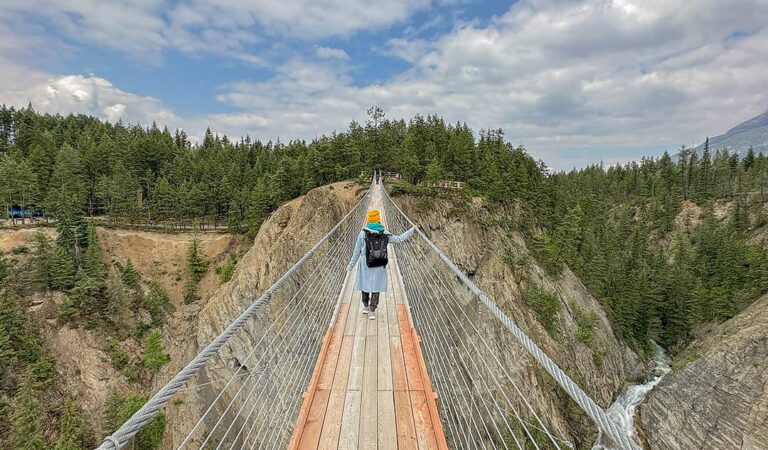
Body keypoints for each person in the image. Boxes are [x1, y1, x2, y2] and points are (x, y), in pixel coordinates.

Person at [346, 208, 415, 320]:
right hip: (379, 263)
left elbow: (356, 251)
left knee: (365, 284)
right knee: (376, 286)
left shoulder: (362, 233)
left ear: (368, 220)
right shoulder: (384, 233)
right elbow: (398, 239)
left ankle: (365, 306)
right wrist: (411, 231)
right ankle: (372, 311)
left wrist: (350, 265)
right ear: (378, 220)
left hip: (365, 264)